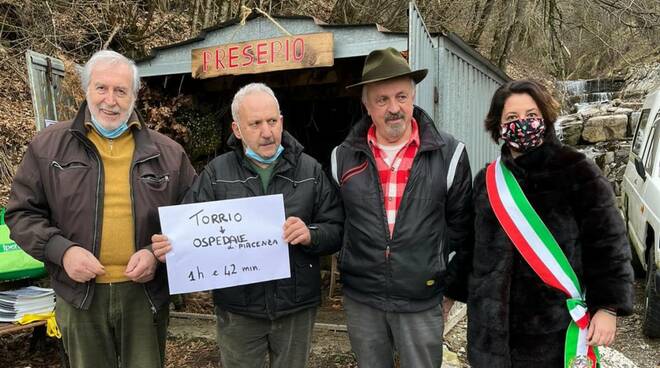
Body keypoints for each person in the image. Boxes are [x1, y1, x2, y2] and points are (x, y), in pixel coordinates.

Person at [5, 50, 196, 367]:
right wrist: (62, 252)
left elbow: (193, 217)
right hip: (78, 294)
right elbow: (21, 214)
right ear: (86, 90)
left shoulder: (169, 153)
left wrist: (155, 253)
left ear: (134, 95)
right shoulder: (47, 147)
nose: (111, 100)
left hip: (145, 293)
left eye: (121, 90)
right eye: (101, 88)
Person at [151, 82, 343, 368]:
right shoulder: (217, 173)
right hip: (238, 309)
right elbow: (187, 231)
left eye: (272, 121)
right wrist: (170, 246)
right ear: (237, 129)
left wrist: (310, 234)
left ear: (282, 122)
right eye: (255, 124)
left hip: (295, 306)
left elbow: (336, 229)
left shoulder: (310, 170)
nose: (267, 132)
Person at [465, 79, 634, 367]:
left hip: (552, 331)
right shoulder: (487, 181)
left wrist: (607, 306)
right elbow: (470, 247)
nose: (523, 124)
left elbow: (608, 243)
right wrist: (449, 294)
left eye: (531, 116)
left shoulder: (578, 170)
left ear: (545, 118)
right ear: (498, 126)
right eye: (512, 118)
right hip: (490, 335)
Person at [330, 47, 473, 368]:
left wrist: (450, 288)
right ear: (366, 104)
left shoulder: (450, 154)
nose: (394, 108)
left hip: (422, 298)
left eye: (401, 97)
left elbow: (463, 230)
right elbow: (337, 222)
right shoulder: (341, 157)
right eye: (382, 100)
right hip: (362, 298)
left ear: (413, 95)